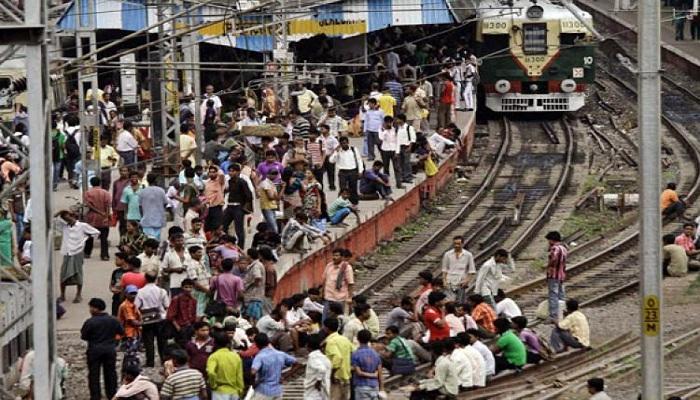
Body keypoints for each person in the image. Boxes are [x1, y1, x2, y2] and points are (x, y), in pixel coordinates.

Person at [81, 298, 124, 400]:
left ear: (95, 308)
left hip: (94, 350)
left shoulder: (90, 322)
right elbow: (121, 332)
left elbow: (84, 336)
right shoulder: (113, 320)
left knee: (94, 375)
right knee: (110, 372)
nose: (90, 310)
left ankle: (95, 396)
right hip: (109, 349)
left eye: (91, 307)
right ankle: (111, 394)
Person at [56, 210, 100, 303]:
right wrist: (59, 212)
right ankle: (62, 295)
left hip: (78, 252)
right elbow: (53, 220)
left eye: (68, 217)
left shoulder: (82, 226)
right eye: (64, 218)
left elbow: (96, 232)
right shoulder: (64, 227)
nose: (67, 219)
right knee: (63, 274)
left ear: (73, 216)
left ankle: (78, 294)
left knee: (78, 273)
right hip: (67, 252)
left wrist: (85, 239)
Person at [135, 271, 170, 367]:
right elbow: (167, 305)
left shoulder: (140, 292)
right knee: (162, 341)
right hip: (161, 318)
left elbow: (137, 306)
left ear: (145, 279)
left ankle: (150, 362)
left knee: (148, 342)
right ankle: (163, 360)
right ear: (156, 279)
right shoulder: (162, 291)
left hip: (147, 320)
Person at [251, 332, 299, 399]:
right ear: (268, 342)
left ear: (256, 344)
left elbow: (253, 372)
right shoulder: (280, 354)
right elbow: (297, 363)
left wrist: (254, 383)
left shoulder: (260, 356)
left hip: (263, 391)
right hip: (277, 391)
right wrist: (285, 376)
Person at [223, 163, 254, 245]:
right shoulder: (229, 182)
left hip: (238, 207)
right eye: (229, 171)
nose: (230, 173)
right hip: (230, 206)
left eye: (232, 171)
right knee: (223, 226)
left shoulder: (242, 182)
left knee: (239, 229)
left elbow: (249, 195)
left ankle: (240, 247)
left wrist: (244, 207)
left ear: (238, 172)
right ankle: (227, 243)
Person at [207, 333, 244, 400]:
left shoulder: (213, 357)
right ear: (228, 343)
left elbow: (211, 372)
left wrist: (213, 385)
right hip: (234, 391)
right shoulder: (236, 356)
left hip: (219, 392)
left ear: (215, 343)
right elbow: (239, 376)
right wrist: (240, 390)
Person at [323, 317, 353, 400]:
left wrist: (332, 374)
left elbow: (337, 358)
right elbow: (353, 351)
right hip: (346, 376)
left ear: (326, 328)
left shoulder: (330, 342)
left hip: (336, 378)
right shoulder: (345, 339)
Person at [83, 176, 111, 261]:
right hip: (103, 218)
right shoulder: (105, 193)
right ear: (100, 183)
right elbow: (108, 205)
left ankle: (87, 252)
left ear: (91, 183)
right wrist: (106, 215)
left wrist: (97, 211)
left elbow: (88, 205)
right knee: (104, 238)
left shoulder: (88, 193)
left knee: (89, 236)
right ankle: (104, 255)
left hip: (92, 218)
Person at [321, 248, 354, 318]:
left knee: (339, 319)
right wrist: (322, 292)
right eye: (333, 255)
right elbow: (324, 280)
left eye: (336, 256)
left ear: (342, 257)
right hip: (328, 298)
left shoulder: (347, 268)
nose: (334, 258)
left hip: (340, 299)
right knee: (325, 319)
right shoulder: (329, 266)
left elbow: (350, 284)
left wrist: (350, 297)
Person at [330, 136, 364, 205]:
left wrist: (360, 171)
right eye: (342, 144)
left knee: (353, 189)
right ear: (340, 144)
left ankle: (354, 204)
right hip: (343, 172)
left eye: (345, 143)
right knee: (342, 189)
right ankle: (341, 204)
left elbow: (359, 160)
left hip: (352, 171)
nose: (344, 145)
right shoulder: (338, 151)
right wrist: (336, 152)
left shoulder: (354, 149)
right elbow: (331, 161)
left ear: (348, 143)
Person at [441, 235, 475, 302]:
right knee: (449, 301)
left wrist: (466, 281)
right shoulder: (447, 254)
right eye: (455, 244)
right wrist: (444, 281)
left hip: (461, 282)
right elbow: (444, 269)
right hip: (449, 281)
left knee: (460, 302)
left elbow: (472, 271)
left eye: (458, 244)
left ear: (462, 244)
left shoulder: (468, 255)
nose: (456, 246)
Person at [352, 329, 384, 399]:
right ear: (369, 339)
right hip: (374, 386)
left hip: (361, 386)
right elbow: (380, 373)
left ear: (358, 339)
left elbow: (358, 372)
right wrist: (382, 388)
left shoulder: (355, 354)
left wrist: (370, 374)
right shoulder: (376, 354)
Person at [166, 278, 198, 346]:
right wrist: (178, 327)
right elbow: (170, 316)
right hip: (180, 327)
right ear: (182, 287)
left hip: (190, 327)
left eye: (190, 287)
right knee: (181, 346)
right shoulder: (176, 299)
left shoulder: (193, 300)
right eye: (186, 287)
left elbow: (194, 314)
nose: (188, 289)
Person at [139, 173, 170, 241]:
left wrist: (142, 216)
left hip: (146, 219)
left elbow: (140, 206)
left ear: (147, 180)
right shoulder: (161, 191)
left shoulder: (142, 192)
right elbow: (165, 203)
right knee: (157, 240)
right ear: (156, 180)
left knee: (148, 241)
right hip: (158, 219)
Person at [545, 231, 568, 322]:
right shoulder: (564, 248)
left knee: (553, 295)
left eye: (549, 240)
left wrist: (549, 266)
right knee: (561, 295)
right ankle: (561, 313)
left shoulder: (555, 248)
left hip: (553, 274)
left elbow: (554, 259)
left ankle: (553, 316)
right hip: (561, 274)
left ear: (552, 240)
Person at [304, 333, 332, 400]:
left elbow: (322, 369)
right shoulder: (325, 358)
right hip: (323, 392)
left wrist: (318, 381)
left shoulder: (313, 356)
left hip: (313, 393)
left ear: (307, 345)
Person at [378, 115, 403, 188]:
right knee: (386, 167)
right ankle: (386, 183)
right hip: (385, 150)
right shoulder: (381, 129)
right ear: (385, 123)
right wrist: (385, 130)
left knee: (397, 168)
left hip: (393, 150)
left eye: (390, 122)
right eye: (387, 123)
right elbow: (381, 138)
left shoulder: (395, 129)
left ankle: (399, 184)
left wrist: (397, 152)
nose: (389, 124)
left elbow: (397, 141)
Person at [394, 114, 416, 184]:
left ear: (402, 119)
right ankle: (402, 177)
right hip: (400, 147)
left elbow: (413, 138)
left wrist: (410, 147)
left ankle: (408, 177)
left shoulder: (409, 128)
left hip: (406, 146)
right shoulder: (398, 128)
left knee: (407, 163)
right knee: (400, 163)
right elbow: (397, 140)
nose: (396, 121)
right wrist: (397, 151)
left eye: (398, 119)